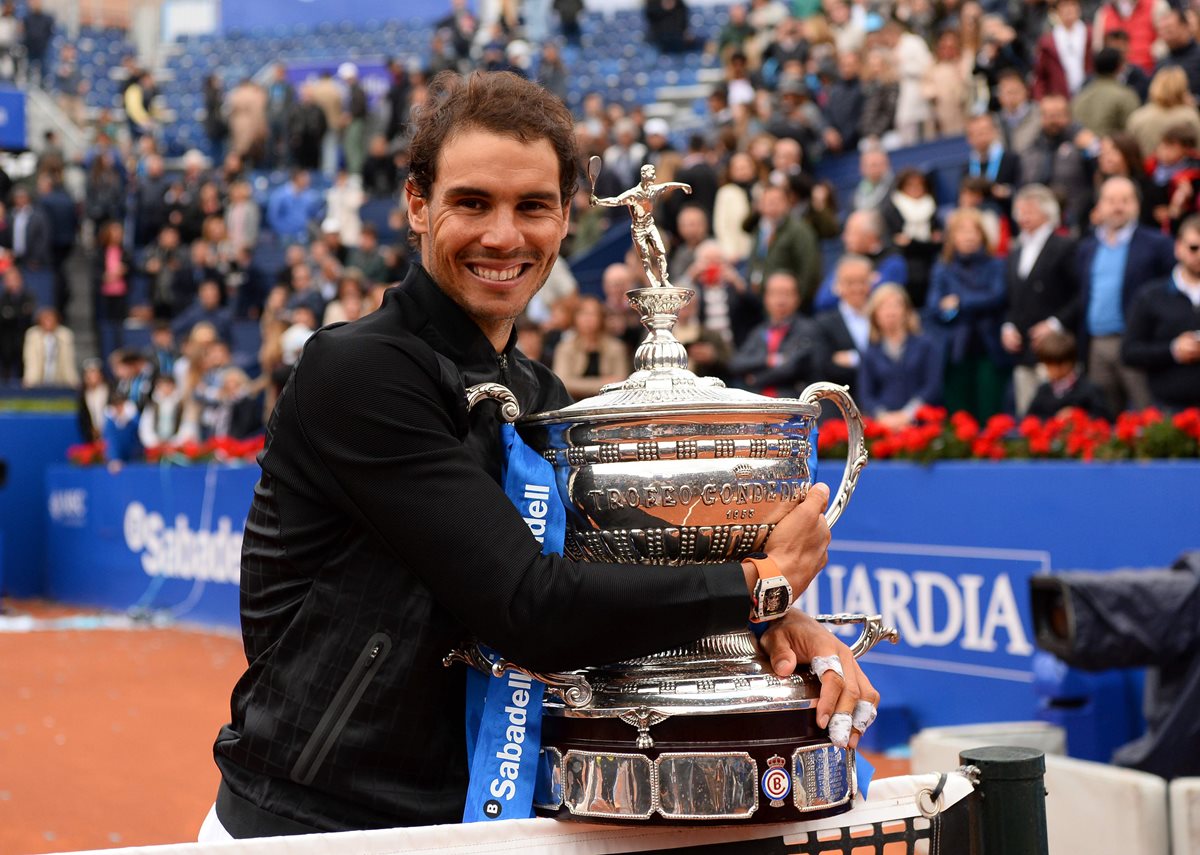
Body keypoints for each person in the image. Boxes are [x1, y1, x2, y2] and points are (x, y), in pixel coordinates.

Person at [202, 71, 875, 839]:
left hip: (483, 822)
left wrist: (779, 620)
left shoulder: (539, 391)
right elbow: (529, 607)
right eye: (473, 202)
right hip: (310, 826)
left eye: (532, 207)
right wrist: (762, 583)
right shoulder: (360, 371)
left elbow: (615, 586)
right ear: (418, 205)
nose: (503, 236)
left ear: (564, 222)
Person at [1060, 176, 1175, 414]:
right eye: (1111, 200)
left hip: (1138, 343)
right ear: (1099, 206)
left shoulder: (1158, 244)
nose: (1118, 206)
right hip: (1097, 344)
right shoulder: (1087, 248)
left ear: (1137, 204)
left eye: (1125, 200)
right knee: (1102, 418)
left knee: (1149, 416)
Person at [1002, 184, 1079, 416]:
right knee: (1028, 416)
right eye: (1020, 211)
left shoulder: (1065, 246)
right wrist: (1008, 326)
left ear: (1048, 213)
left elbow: (1080, 294)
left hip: (1057, 351)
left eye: (1029, 211)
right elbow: (1012, 298)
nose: (1022, 217)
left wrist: (1055, 323)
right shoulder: (1015, 251)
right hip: (1023, 349)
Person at [926, 208, 1009, 421]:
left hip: (989, 348)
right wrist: (963, 306)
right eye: (962, 231)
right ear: (952, 237)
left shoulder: (996, 265)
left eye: (974, 231)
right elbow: (935, 307)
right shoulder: (942, 268)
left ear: (982, 235)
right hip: (955, 351)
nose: (969, 237)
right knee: (960, 419)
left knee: (990, 415)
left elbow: (997, 297)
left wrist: (959, 302)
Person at [1121, 214, 1200, 410]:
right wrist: (1173, 350)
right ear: (1178, 248)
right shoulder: (1151, 296)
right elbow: (1130, 352)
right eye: (1194, 248)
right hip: (1167, 409)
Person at [856, 283, 942, 430]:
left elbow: (932, 385)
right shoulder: (869, 352)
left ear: (906, 311)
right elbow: (866, 395)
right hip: (883, 426)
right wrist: (884, 417)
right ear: (875, 315)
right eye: (884, 307)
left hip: (921, 424)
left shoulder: (926, 345)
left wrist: (908, 414)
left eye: (895, 306)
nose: (891, 312)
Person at [592, 163, 693, 288]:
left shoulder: (653, 190)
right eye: (652, 173)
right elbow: (616, 200)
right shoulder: (633, 194)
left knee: (660, 252)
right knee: (645, 257)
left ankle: (664, 280)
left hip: (650, 226)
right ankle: (652, 281)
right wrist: (599, 201)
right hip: (639, 229)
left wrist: (683, 186)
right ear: (644, 175)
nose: (654, 176)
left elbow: (667, 186)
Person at [727, 271, 821, 398]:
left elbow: (791, 368)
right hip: (757, 401)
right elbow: (736, 363)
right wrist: (767, 360)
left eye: (786, 294)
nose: (780, 301)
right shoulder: (758, 331)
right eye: (775, 294)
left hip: (791, 400)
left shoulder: (807, 329)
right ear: (766, 298)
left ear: (797, 298)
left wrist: (755, 379)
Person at [550, 295, 631, 399]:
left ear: (601, 318)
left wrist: (578, 384)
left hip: (609, 402)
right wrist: (603, 382)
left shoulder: (616, 347)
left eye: (593, 314)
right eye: (583, 314)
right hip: (573, 403)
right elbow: (563, 382)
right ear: (575, 318)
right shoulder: (565, 348)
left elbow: (621, 381)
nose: (588, 319)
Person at [1026, 330, 1110, 419]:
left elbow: (1105, 419)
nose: (1049, 369)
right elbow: (1030, 420)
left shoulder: (1089, 390)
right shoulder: (1043, 391)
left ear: (1068, 364)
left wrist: (1077, 415)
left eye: (1052, 365)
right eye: (1047, 364)